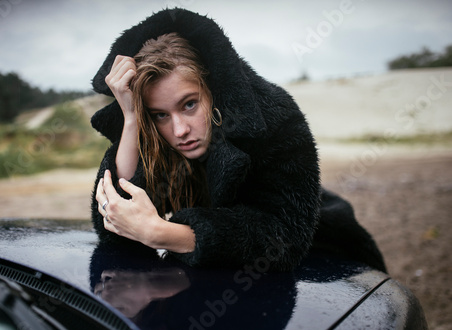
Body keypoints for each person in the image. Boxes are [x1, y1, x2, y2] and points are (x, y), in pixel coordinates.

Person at [91, 8, 386, 272]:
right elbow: (118, 222)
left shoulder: (276, 118)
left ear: (211, 89)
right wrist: (132, 117)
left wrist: (160, 234)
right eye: (160, 115)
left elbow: (283, 238)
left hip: (331, 257)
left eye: (189, 104)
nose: (179, 130)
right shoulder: (155, 133)